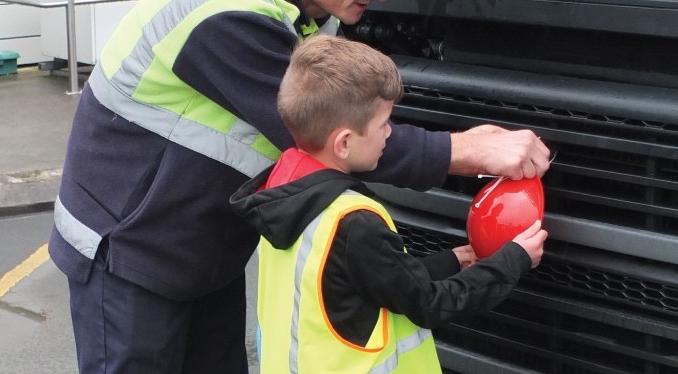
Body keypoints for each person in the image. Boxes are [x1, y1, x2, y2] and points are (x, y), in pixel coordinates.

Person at [48, 0, 551, 373]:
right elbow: (339, 134)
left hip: (203, 245)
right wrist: (465, 151)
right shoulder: (230, 14)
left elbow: (354, 120)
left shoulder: (309, 9)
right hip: (131, 246)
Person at [230, 34, 548, 374]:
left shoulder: (283, 189)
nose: (389, 134)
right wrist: (512, 261)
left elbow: (384, 281)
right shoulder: (353, 221)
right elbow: (429, 303)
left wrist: (453, 260)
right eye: (383, 125)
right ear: (344, 142)